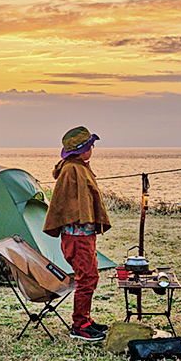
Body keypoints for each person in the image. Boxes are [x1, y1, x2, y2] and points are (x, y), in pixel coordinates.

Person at [43, 126, 111, 341]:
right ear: (83, 149)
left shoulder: (78, 167)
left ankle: (86, 319)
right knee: (87, 277)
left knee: (90, 276)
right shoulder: (72, 170)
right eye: (90, 146)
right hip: (77, 234)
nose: (92, 149)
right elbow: (69, 204)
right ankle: (79, 325)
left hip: (83, 233)